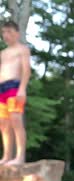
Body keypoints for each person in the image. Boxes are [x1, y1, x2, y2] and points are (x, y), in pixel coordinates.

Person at [0, 21, 30, 165]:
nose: (6, 35)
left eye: (9, 32)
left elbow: (26, 70)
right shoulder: (2, 53)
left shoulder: (22, 49)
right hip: (1, 89)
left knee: (16, 120)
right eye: (4, 32)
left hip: (14, 87)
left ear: (17, 33)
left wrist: (22, 88)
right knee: (3, 123)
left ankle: (20, 156)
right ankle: (6, 156)